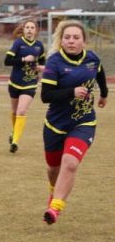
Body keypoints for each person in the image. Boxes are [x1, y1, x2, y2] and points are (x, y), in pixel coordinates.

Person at [40, 20, 108, 225]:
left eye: (76, 37)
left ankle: (55, 208)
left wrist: (103, 94)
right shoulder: (54, 63)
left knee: (70, 163)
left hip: (83, 123)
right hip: (55, 125)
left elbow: (100, 73)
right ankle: (54, 191)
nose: (71, 41)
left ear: (84, 41)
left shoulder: (92, 59)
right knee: (53, 169)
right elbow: (46, 95)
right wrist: (72, 92)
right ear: (61, 40)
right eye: (67, 37)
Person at [4, 20, 45, 153]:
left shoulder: (39, 46)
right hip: (15, 83)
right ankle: (14, 132)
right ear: (24, 29)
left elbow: (43, 63)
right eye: (27, 27)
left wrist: (41, 68)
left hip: (30, 83)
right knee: (15, 112)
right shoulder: (18, 43)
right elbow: (7, 61)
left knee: (22, 111)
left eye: (32, 27)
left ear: (36, 30)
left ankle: (15, 141)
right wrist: (23, 59)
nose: (29, 30)